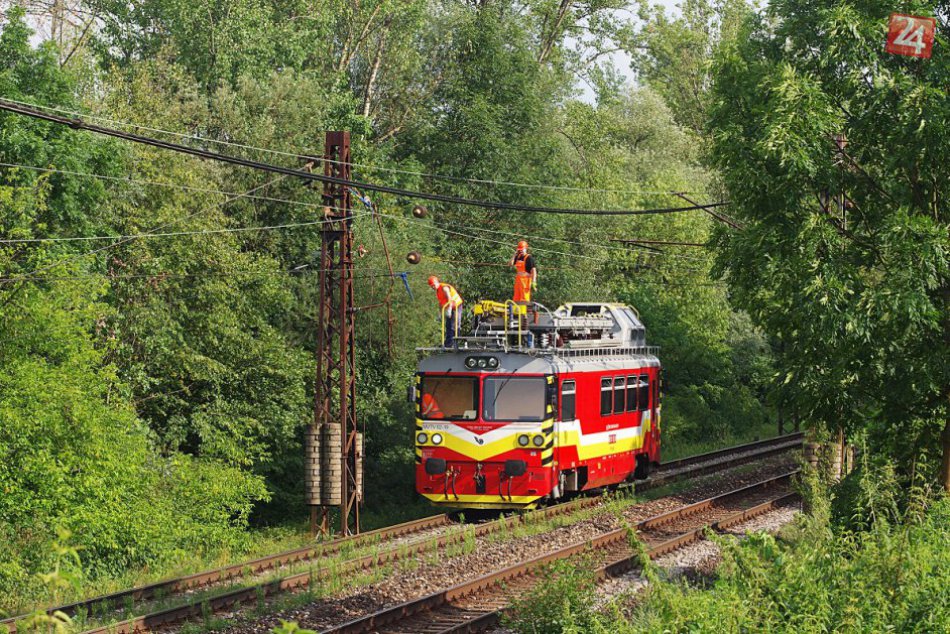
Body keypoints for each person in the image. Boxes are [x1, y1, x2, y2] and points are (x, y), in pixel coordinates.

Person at [428, 275, 463, 346]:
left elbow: (449, 298)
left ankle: (455, 343)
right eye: (431, 286)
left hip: (456, 306)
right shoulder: (438, 292)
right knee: (448, 325)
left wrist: (449, 309)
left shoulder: (444, 288)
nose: (433, 287)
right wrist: (440, 314)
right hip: (450, 307)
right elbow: (441, 304)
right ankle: (448, 343)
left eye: (434, 285)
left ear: (437, 282)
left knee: (455, 324)